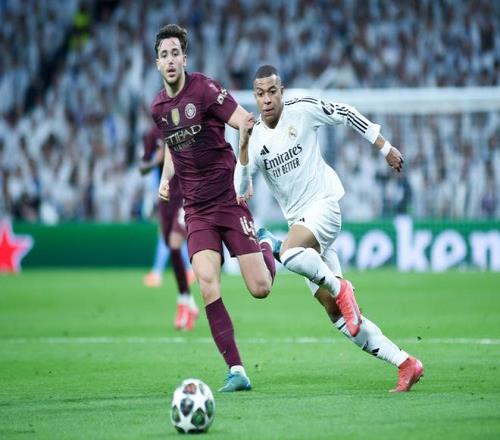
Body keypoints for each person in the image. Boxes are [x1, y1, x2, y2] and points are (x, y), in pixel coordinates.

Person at [234, 65, 423, 393]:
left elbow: (346, 112)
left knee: (289, 252)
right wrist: (243, 144)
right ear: (255, 96)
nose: (267, 99)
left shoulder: (303, 109)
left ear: (282, 92)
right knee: (339, 317)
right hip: (302, 226)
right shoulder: (255, 136)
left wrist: (385, 147)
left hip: (324, 206)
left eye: (272, 92)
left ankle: (331, 281)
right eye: (260, 94)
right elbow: (241, 189)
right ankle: (405, 363)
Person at [151, 24, 276, 392]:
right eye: (164, 55)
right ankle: (236, 369)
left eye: (175, 53)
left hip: (228, 200)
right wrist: (165, 179)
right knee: (207, 284)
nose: (170, 60)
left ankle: (266, 244)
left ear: (184, 59)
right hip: (196, 210)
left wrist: (244, 171)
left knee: (260, 288)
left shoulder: (204, 89)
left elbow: (244, 122)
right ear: (157, 63)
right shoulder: (158, 107)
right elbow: (172, 146)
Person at [140, 125, 198, 331]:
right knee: (170, 244)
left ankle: (183, 301)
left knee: (174, 242)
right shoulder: (152, 134)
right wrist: (155, 160)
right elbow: (142, 167)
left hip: (187, 195)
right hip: (166, 198)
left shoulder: (187, 125)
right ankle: (188, 300)